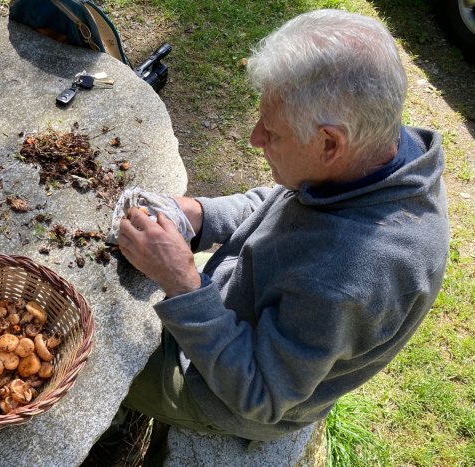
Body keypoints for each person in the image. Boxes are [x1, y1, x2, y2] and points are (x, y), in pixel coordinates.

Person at [116, 9, 450, 442]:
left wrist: (182, 284)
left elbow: (260, 394)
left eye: (272, 132)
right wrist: (200, 215)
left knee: (97, 361)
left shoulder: (347, 277)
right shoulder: (383, 155)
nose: (255, 138)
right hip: (234, 316)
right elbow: (287, 200)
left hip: (224, 390)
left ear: (330, 143)